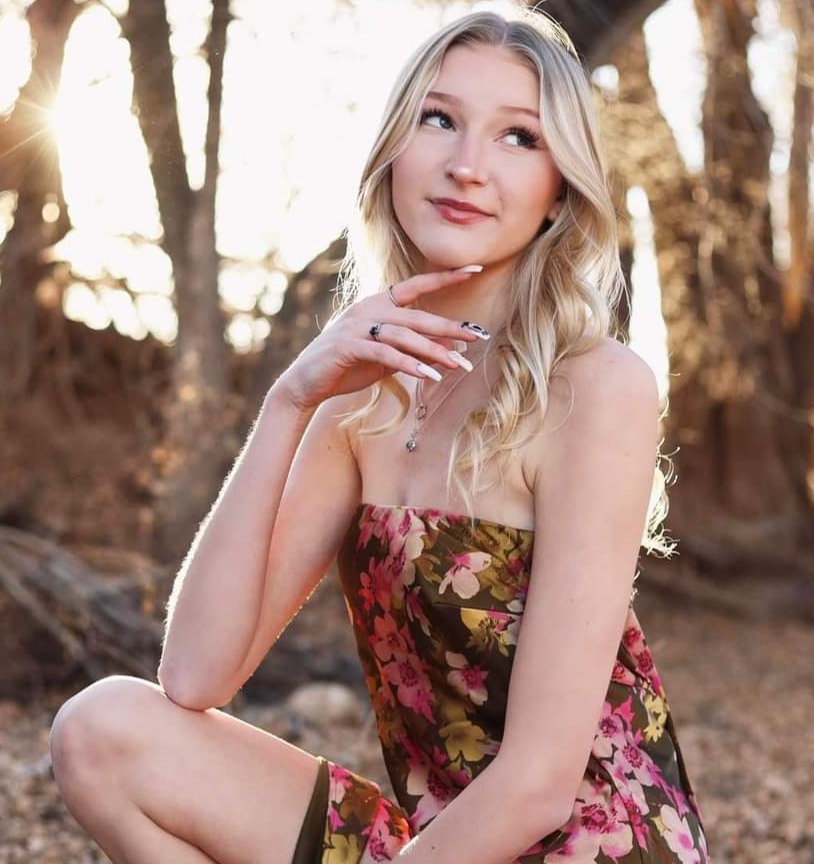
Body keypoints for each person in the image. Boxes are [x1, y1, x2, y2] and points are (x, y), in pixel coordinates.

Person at [49, 8, 710, 864]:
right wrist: (290, 402)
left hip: (596, 847)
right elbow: (194, 676)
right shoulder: (359, 401)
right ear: (393, 150)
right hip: (432, 848)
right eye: (439, 119)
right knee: (104, 731)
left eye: (518, 137)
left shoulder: (598, 388)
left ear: (559, 190)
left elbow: (541, 782)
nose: (467, 165)